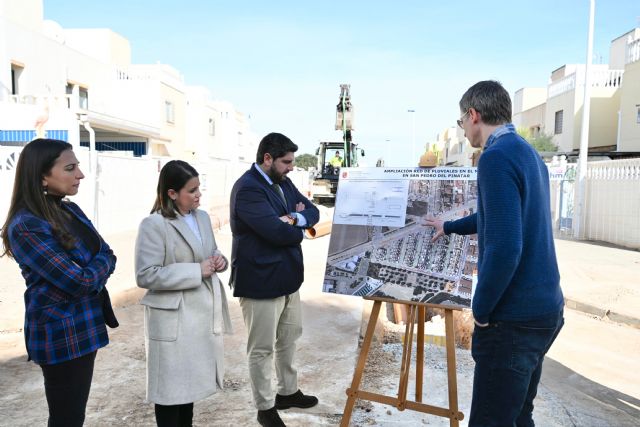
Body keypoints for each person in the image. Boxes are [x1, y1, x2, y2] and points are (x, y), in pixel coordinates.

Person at [424, 80, 564, 426]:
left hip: (512, 320)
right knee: (518, 416)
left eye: (462, 122)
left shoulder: (495, 157)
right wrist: (450, 226)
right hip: (545, 311)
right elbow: (496, 217)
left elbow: (505, 247)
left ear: (474, 115)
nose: (464, 131)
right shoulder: (527, 153)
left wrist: (482, 310)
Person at [1, 138, 118, 427]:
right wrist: (96, 267)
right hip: (60, 333)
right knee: (66, 418)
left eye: (77, 166)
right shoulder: (26, 224)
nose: (80, 174)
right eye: (70, 167)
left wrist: (94, 267)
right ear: (42, 175)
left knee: (74, 414)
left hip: (84, 326)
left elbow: (109, 254)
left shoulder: (69, 210)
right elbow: (78, 281)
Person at [229, 132, 320, 427]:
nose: (291, 167)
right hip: (260, 281)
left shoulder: (284, 182)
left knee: (290, 338)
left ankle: (288, 392)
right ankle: (265, 407)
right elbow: (275, 232)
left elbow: (314, 211)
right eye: (286, 162)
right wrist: (294, 226)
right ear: (267, 159)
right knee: (262, 348)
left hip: (288, 278)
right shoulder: (247, 189)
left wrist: (293, 219)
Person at [135, 160, 232, 427]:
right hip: (173, 319)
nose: (199, 194)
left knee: (188, 391)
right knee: (169, 393)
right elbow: (146, 274)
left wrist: (219, 260)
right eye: (192, 190)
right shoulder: (154, 225)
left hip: (198, 315)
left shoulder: (201, 217)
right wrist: (196, 271)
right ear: (172, 193)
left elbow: (209, 251)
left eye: (199, 187)